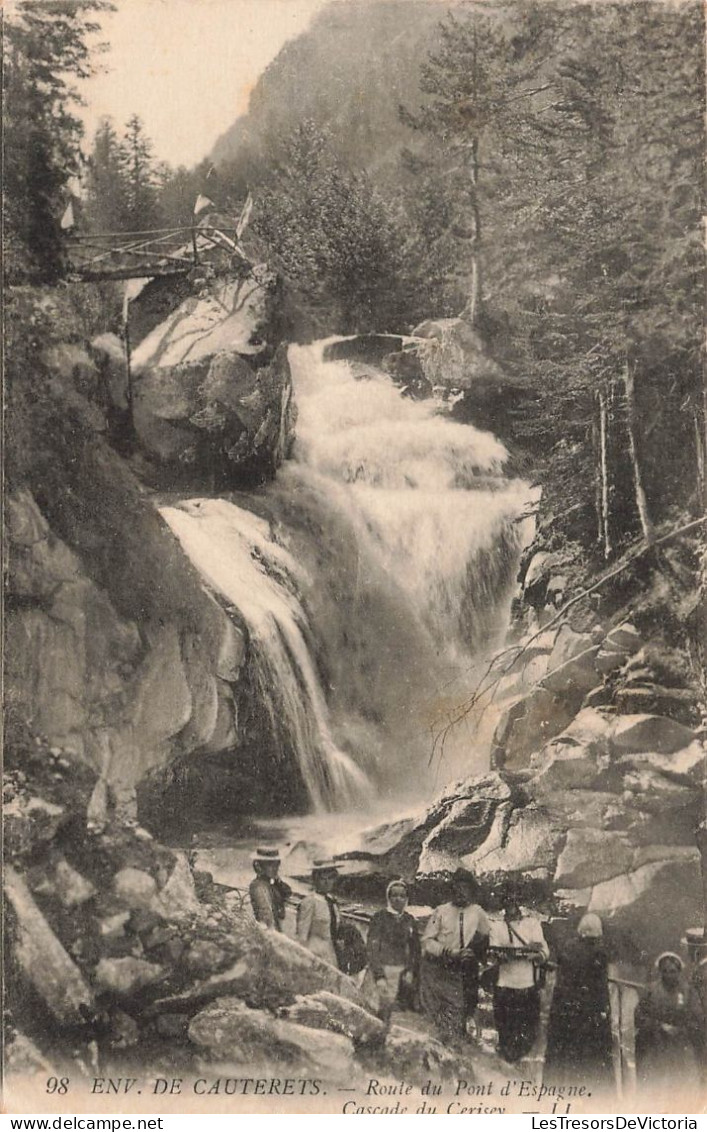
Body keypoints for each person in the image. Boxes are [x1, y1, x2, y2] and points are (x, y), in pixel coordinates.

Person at [543, 913, 614, 1092]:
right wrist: (605, 1009)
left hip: (565, 1008)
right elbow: (600, 986)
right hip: (589, 1010)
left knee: (564, 1051)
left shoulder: (568, 948)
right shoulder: (599, 952)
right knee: (591, 1053)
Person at [420, 868, 490, 1044]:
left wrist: (476, 950)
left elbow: (488, 935)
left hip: (465, 969)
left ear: (471, 890)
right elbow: (427, 941)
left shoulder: (478, 912)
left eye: (465, 888)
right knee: (439, 1013)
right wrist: (448, 952)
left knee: (465, 1007)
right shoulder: (441, 911)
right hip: (440, 969)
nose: (460, 892)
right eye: (457, 887)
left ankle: (458, 1042)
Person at [488, 884, 549, 1063]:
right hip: (505, 986)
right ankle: (508, 1070)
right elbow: (494, 950)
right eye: (507, 901)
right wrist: (499, 956)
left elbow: (543, 948)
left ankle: (521, 1070)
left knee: (527, 1034)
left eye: (514, 900)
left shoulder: (532, 923)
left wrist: (538, 955)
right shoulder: (497, 926)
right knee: (505, 1033)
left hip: (527, 986)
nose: (511, 905)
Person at [634, 952, 704, 1094]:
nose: (669, 975)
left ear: (679, 971)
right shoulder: (651, 991)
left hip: (681, 1049)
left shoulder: (688, 991)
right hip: (656, 1048)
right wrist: (659, 1026)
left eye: (672, 971)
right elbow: (639, 1016)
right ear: (660, 972)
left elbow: (698, 1018)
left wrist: (682, 1029)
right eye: (665, 971)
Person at [363, 879, 421, 1024]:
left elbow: (415, 950)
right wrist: (379, 975)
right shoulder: (379, 918)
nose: (398, 899)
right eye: (394, 895)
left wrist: (411, 971)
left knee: (389, 1011)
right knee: (372, 1008)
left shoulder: (410, 920)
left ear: (407, 899)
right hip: (380, 970)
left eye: (402, 896)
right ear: (388, 897)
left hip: (398, 972)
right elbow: (372, 947)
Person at [296, 859, 340, 967]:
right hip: (315, 957)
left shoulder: (332, 902)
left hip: (331, 955)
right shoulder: (309, 902)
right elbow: (302, 936)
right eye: (322, 879)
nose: (327, 882)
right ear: (315, 880)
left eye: (330, 878)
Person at [248, 846, 292, 931]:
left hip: (276, 927)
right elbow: (266, 916)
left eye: (276, 864)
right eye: (270, 865)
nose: (275, 868)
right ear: (260, 866)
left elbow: (287, 892)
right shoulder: (259, 886)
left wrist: (278, 881)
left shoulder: (271, 883)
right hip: (269, 930)